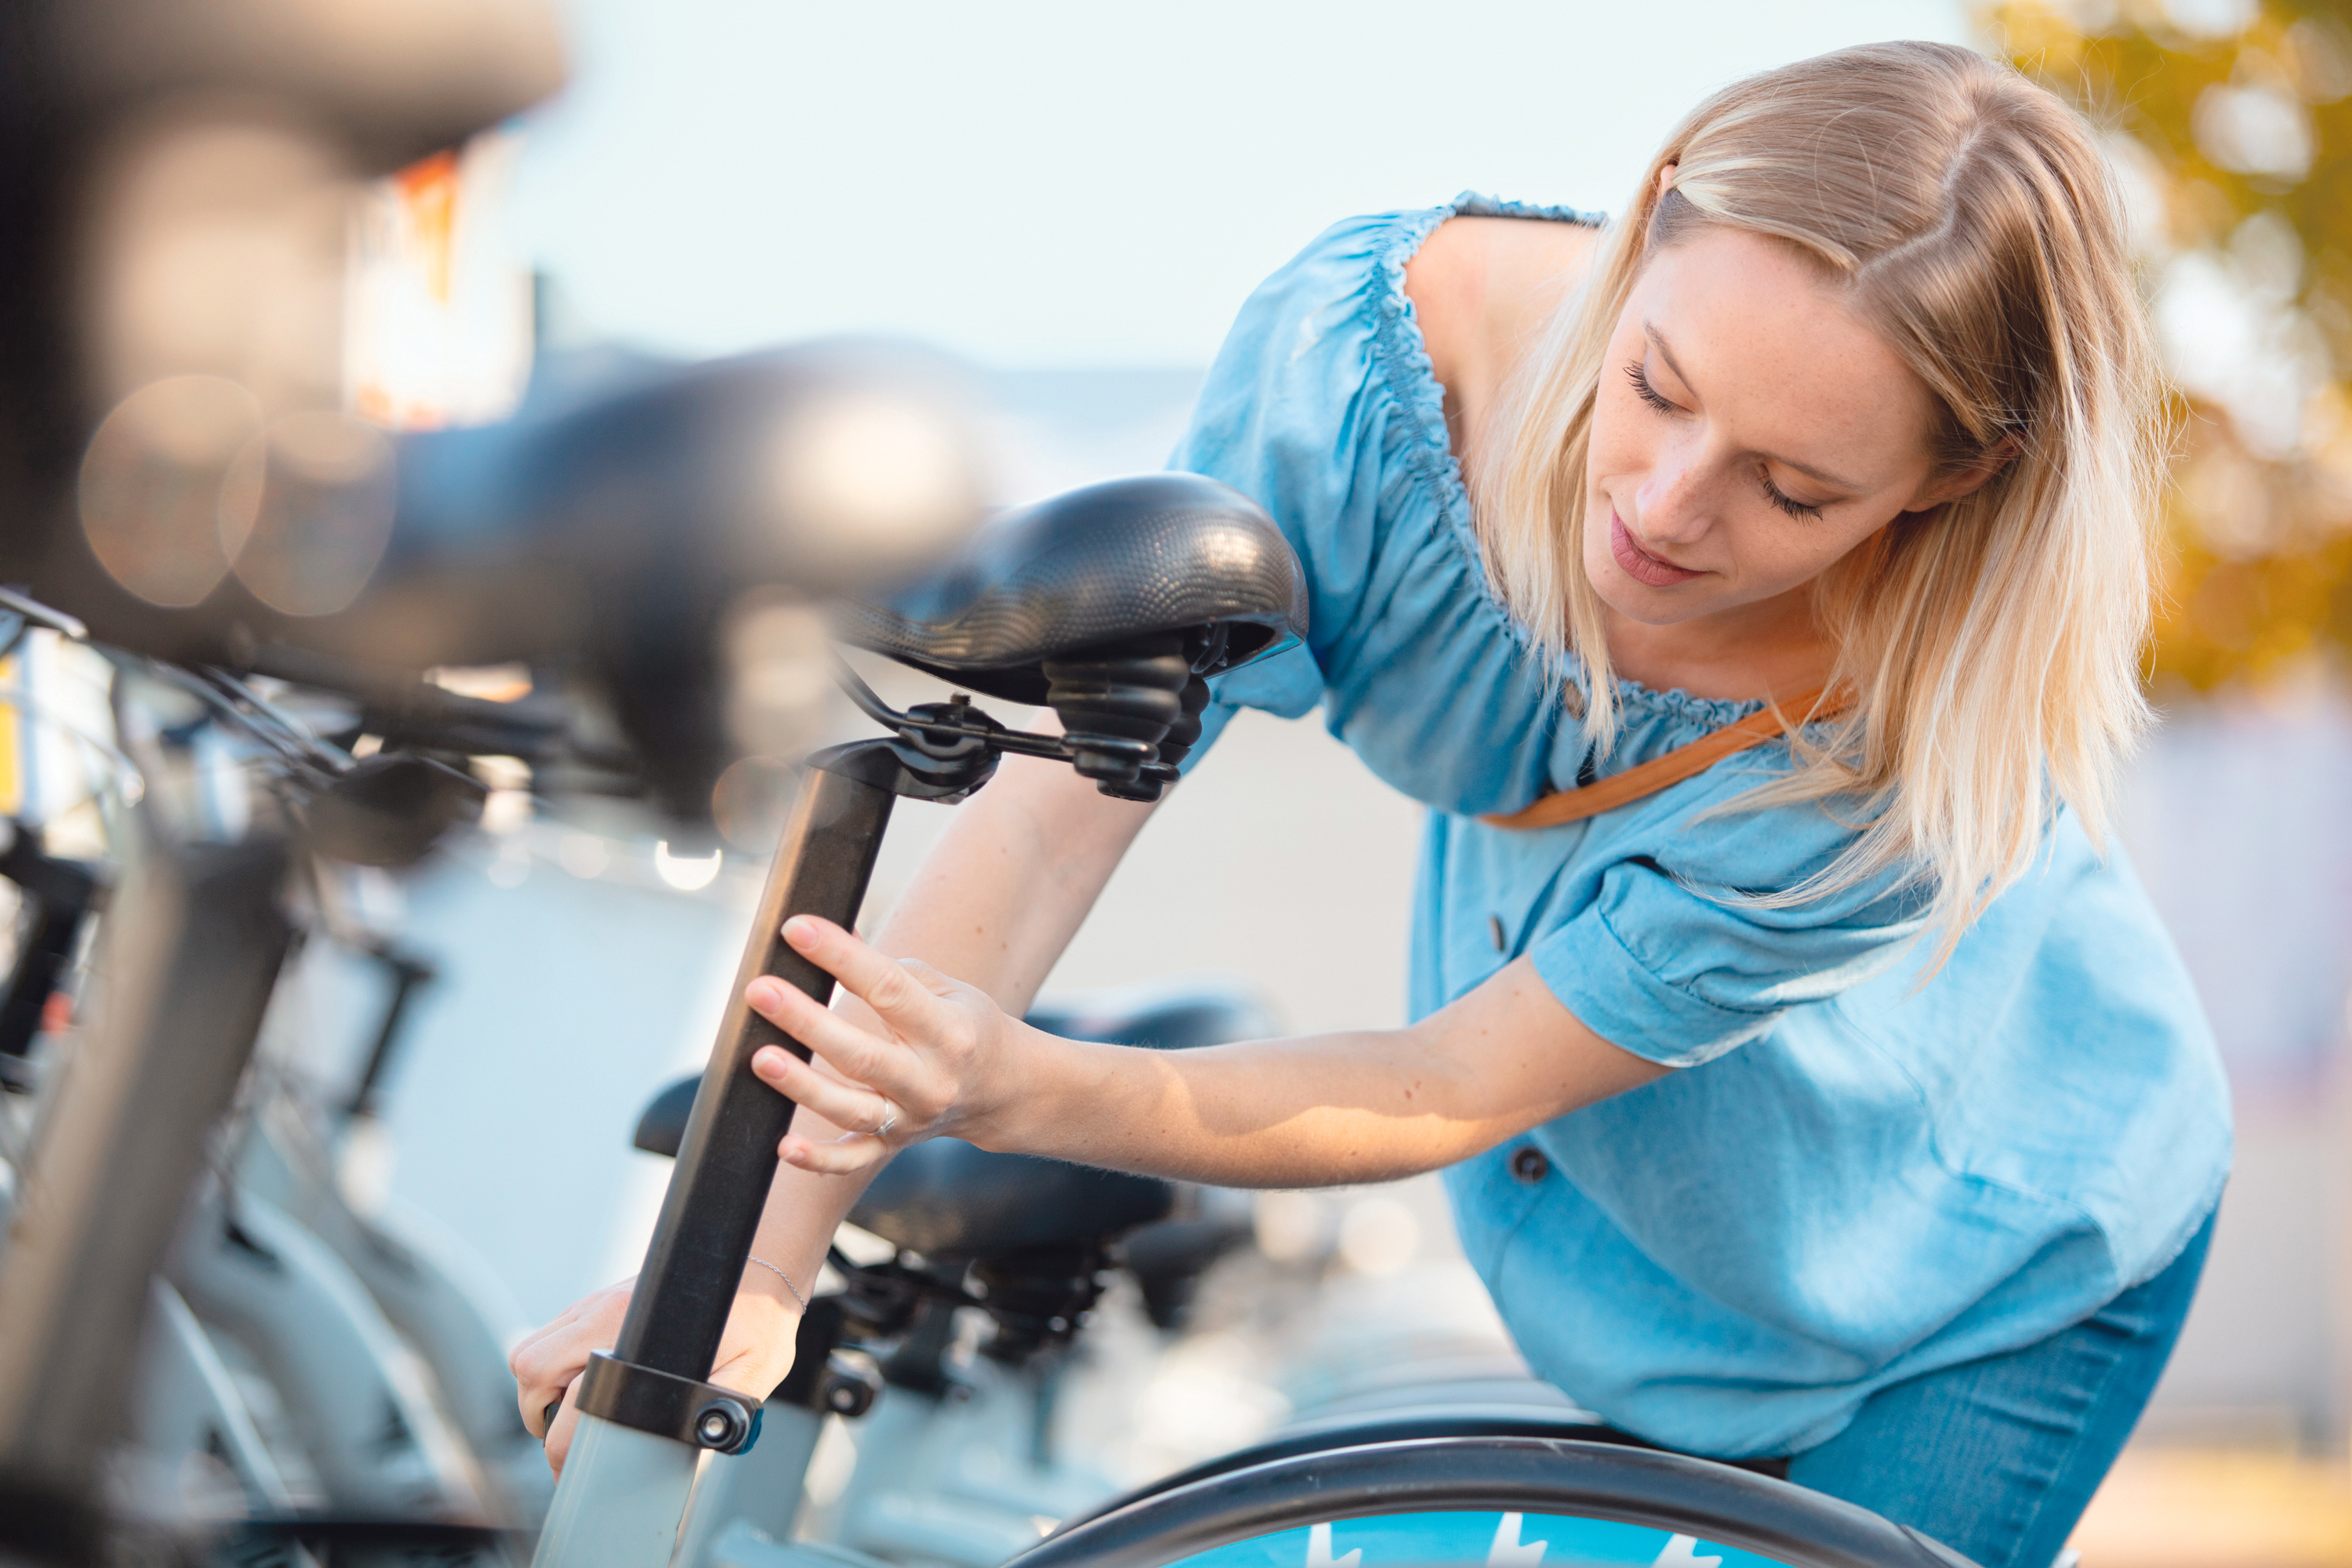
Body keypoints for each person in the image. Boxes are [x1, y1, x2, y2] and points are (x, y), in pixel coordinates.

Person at [513, 40, 2228, 1567]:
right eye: (1656, 385)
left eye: (1795, 488)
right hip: (1657, 1270)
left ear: (1952, 483)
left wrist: (1020, 1089)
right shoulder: (1369, 374)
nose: (1666, 505)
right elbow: (1052, 814)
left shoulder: (1900, 762)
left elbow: (1453, 1077)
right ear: (1648, 227)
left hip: (1984, 1270)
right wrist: (752, 1274)